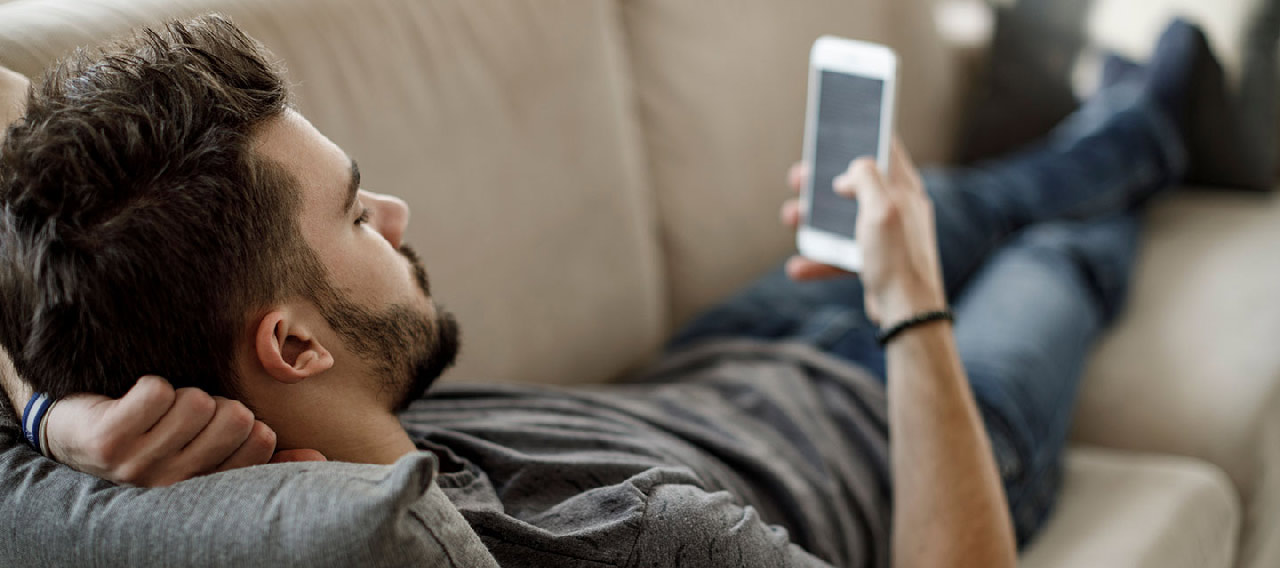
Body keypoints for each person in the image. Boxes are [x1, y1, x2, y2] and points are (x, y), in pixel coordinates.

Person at [0, 14, 1263, 568]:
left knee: (943, 202)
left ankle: (1085, 116)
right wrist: (910, 314)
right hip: (910, 429)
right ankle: (1151, 112)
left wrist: (51, 423)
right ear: (288, 339)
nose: (394, 217)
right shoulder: (635, 539)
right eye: (354, 211)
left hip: (714, 366)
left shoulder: (155, 465)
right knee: (1057, 256)